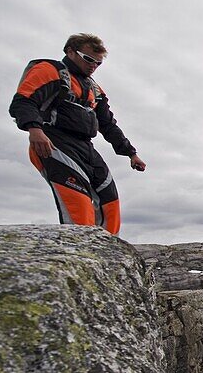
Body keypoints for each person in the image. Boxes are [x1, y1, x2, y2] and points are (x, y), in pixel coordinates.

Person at [9, 33, 146, 235]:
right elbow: (23, 101)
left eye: (98, 63)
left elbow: (107, 124)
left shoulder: (94, 88)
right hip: (53, 142)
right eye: (89, 59)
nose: (93, 66)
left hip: (86, 147)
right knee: (79, 204)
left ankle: (110, 256)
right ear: (70, 51)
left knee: (110, 201)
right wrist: (34, 129)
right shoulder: (49, 70)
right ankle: (81, 256)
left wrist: (130, 153)